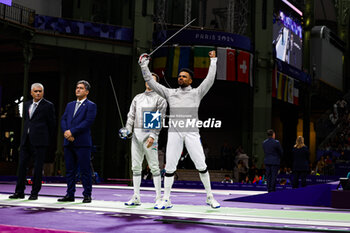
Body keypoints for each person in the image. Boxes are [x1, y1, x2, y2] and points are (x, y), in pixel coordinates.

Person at [138, 50, 220, 209]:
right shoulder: (170, 93)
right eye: (179, 76)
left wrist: (213, 61)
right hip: (174, 133)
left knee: (201, 164)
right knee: (169, 167)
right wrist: (144, 65)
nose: (180, 78)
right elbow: (152, 82)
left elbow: (209, 80)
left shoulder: (197, 93)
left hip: (192, 133)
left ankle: (210, 197)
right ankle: (166, 199)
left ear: (190, 80)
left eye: (184, 76)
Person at [120, 73, 167, 208]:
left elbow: (159, 119)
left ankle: (158, 198)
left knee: (154, 167)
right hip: (136, 136)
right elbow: (131, 116)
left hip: (149, 136)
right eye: (147, 79)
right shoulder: (138, 98)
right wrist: (127, 130)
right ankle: (136, 196)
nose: (149, 81)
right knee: (135, 167)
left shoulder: (160, 98)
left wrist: (153, 135)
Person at [9, 83, 56, 200]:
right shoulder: (26, 105)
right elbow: (27, 122)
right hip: (26, 141)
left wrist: (45, 139)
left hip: (40, 142)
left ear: (43, 93)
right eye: (36, 91)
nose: (38, 93)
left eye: (40, 91)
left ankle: (34, 193)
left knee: (38, 168)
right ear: (31, 92)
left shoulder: (48, 105)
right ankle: (19, 192)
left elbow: (52, 125)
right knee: (21, 167)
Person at [58, 80, 97, 203]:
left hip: (82, 143)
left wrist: (72, 132)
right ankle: (70, 194)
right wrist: (66, 132)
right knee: (70, 170)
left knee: (85, 170)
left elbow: (88, 122)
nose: (78, 90)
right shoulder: (70, 105)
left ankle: (87, 195)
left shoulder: (91, 105)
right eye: (77, 87)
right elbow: (63, 119)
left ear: (87, 91)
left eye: (81, 88)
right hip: (69, 142)